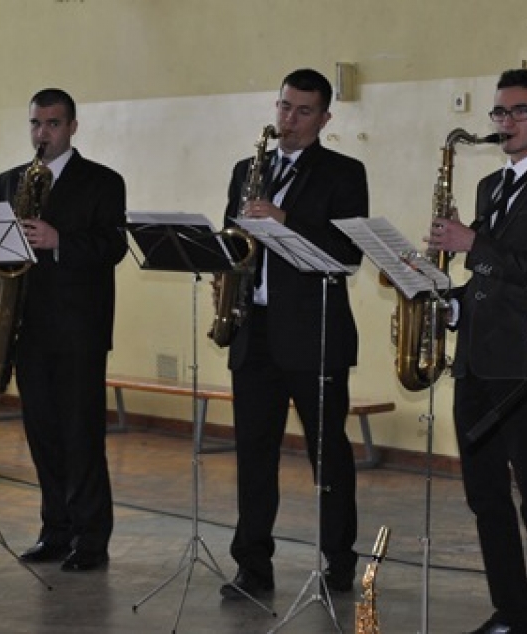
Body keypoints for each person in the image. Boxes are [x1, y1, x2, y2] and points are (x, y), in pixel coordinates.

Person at [427, 69, 527, 634]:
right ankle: (511, 612)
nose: (507, 122)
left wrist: (474, 243)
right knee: (485, 498)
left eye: (521, 111)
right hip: (475, 362)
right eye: (500, 112)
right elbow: (488, 279)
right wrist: (448, 301)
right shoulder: (490, 187)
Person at [217, 68, 368, 600]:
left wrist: (284, 218)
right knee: (253, 456)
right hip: (253, 330)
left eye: (304, 111)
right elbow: (232, 238)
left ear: (325, 118)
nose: (290, 119)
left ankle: (339, 561)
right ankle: (252, 566)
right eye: (284, 107)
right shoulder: (247, 169)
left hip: (314, 333)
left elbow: (347, 252)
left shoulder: (344, 173)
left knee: (328, 455)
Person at [0, 88, 126, 572]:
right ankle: (55, 530)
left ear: (73, 127)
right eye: (36, 123)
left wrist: (59, 240)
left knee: (81, 436)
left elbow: (112, 246)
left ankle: (91, 539)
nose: (43, 133)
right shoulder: (8, 181)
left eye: (53, 124)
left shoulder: (103, 181)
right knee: (41, 435)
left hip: (79, 329)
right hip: (26, 326)